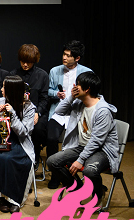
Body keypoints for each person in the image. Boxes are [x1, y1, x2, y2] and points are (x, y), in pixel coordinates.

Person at [46, 71, 119, 206]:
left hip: (102, 150)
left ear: (87, 89)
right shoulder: (79, 104)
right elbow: (58, 111)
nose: (74, 87)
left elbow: (97, 141)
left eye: (78, 85)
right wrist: (70, 97)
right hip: (82, 146)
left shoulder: (102, 110)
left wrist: (80, 160)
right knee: (52, 161)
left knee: (89, 170)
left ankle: (98, 195)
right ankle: (79, 189)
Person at [0, 75, 36, 213]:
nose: (1, 89)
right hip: (1, 138)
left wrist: (12, 115)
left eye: (4, 87)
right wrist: (0, 117)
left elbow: (24, 132)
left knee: (11, 159)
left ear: (12, 90)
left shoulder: (29, 107)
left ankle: (14, 199)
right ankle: (2, 197)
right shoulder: (0, 101)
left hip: (20, 142)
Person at [46, 40, 93, 188]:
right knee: (51, 138)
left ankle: (71, 175)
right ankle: (55, 174)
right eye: (64, 54)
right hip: (58, 111)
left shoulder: (87, 72)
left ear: (77, 58)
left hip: (77, 112)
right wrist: (56, 93)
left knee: (77, 143)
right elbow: (48, 90)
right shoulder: (54, 71)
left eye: (68, 55)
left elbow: (91, 94)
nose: (64, 57)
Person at [10, 44, 49, 167]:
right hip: (17, 111)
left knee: (38, 129)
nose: (25, 64)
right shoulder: (13, 74)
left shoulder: (42, 75)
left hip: (36, 111)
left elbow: (44, 98)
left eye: (29, 62)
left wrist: (38, 112)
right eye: (23, 61)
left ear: (34, 61)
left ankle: (34, 155)